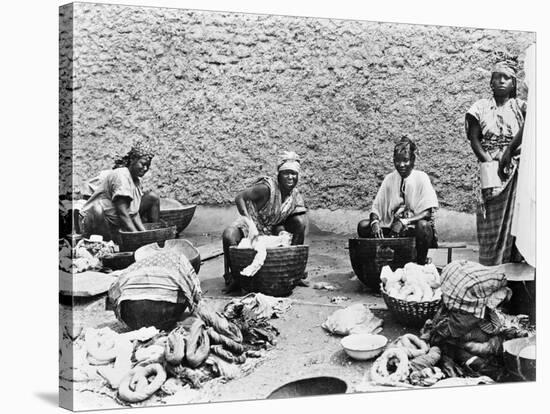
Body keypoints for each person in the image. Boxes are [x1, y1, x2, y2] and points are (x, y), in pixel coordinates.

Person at [465, 57, 526, 266]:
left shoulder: (521, 107)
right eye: (496, 77)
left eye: (506, 77)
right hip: (488, 166)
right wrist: (489, 161)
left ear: (514, 83)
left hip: (514, 169)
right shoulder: (480, 107)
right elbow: (474, 138)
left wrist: (509, 152)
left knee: (513, 221)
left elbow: (531, 128)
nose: (501, 81)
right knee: (489, 221)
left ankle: (511, 269)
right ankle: (489, 266)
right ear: (490, 82)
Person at [222, 151, 307, 290]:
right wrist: (249, 222)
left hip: (271, 231)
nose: (290, 177)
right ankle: (235, 278)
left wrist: (282, 232)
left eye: (294, 173)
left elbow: (289, 221)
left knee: (300, 222)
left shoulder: (295, 196)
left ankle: (294, 273)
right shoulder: (267, 188)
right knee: (229, 235)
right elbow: (240, 198)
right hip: (251, 227)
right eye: (286, 173)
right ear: (279, 175)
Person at [357, 137, 439, 265]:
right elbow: (376, 208)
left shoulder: (421, 177)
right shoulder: (389, 179)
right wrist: (375, 222)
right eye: (397, 160)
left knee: (423, 226)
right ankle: (379, 262)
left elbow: (427, 213)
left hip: (414, 230)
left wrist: (404, 222)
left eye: (405, 160)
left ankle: (420, 263)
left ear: (413, 160)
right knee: (363, 226)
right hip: (392, 229)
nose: (401, 165)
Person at [79, 139, 160, 243]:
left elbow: (134, 214)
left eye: (148, 166)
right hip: (97, 221)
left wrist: (144, 235)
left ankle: (118, 239)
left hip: (114, 222)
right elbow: (123, 214)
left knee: (152, 197)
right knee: (97, 209)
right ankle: (109, 242)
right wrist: (137, 239)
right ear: (133, 159)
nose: (145, 169)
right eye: (143, 164)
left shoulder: (136, 181)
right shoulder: (121, 176)